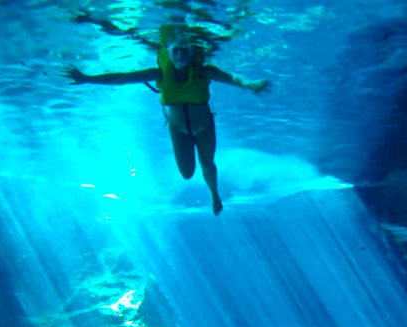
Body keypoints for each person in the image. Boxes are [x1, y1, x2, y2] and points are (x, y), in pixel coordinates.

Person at [62, 24, 269, 215]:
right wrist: (87, 78)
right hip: (178, 129)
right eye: (175, 51)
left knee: (207, 164)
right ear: (168, 53)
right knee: (187, 173)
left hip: (204, 126)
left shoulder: (204, 71)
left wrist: (251, 84)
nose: (179, 55)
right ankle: (211, 191)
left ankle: (215, 195)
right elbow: (122, 78)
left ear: (192, 51)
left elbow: (234, 78)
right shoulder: (159, 74)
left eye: (184, 51)